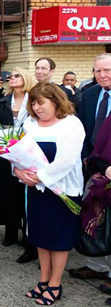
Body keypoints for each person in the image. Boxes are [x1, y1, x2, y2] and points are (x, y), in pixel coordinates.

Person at [14, 82, 84, 306]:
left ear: (56, 101)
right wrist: (18, 171)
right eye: (33, 102)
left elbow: (67, 161)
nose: (36, 107)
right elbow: (15, 151)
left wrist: (40, 177)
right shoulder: (29, 123)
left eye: (40, 102)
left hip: (63, 191)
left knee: (59, 240)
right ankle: (43, 280)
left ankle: (55, 284)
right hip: (36, 191)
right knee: (41, 237)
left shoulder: (72, 124)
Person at [70, 53, 111, 291]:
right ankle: (94, 265)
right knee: (92, 218)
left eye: (107, 70)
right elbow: (82, 130)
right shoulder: (89, 95)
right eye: (98, 71)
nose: (102, 75)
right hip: (91, 166)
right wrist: (86, 160)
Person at [0, 67, 38, 263]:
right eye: (10, 76)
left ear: (26, 78)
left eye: (16, 75)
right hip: (7, 155)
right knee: (7, 194)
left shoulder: (35, 100)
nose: (11, 78)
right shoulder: (3, 101)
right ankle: (10, 231)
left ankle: (29, 240)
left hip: (29, 155)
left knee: (26, 196)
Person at [83, 114, 111, 306]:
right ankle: (99, 267)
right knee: (102, 230)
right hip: (106, 183)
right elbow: (97, 155)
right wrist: (106, 168)